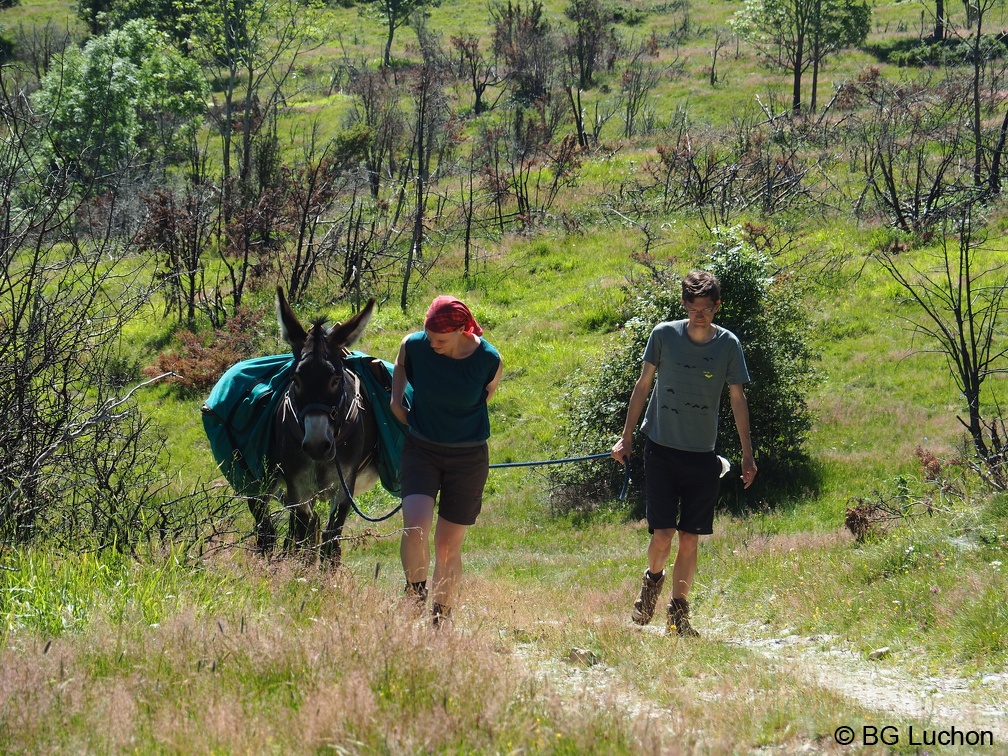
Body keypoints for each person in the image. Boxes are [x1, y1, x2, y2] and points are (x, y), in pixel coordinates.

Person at [611, 270, 756, 637]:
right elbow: (643, 385)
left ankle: (679, 616)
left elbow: (737, 399)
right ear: (684, 306)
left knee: (690, 537)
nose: (699, 316)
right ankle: (651, 584)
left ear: (717, 306)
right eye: (692, 310)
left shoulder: (728, 345)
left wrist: (747, 455)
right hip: (660, 447)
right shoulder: (663, 335)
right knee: (662, 535)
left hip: (701, 455)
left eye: (706, 310)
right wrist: (625, 438)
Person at [390, 295, 503, 627]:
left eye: (439, 340)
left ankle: (440, 618)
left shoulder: (488, 359)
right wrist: (397, 401)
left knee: (447, 545)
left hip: (468, 458)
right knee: (415, 527)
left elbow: (485, 395)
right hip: (421, 448)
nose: (433, 344)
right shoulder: (415, 346)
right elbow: (400, 366)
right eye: (429, 338)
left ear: (461, 330)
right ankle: (414, 594)